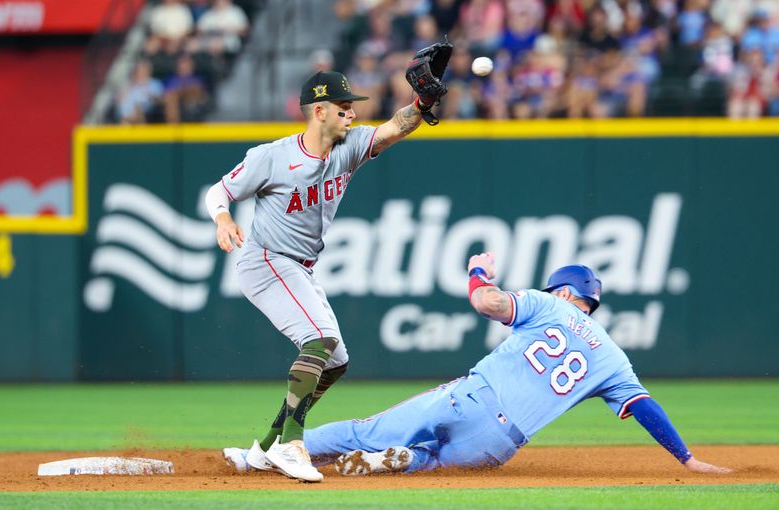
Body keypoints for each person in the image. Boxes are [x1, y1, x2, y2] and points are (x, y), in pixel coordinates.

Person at [223, 254, 732, 476]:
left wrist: (477, 270)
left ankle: (261, 457)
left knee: (362, 431)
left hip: (471, 397)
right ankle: (399, 461)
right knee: (433, 464)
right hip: (498, 446)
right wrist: (685, 458)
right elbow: (644, 406)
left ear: (563, 290)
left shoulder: (547, 303)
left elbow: (488, 302)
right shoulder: (613, 359)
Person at [208, 68, 447, 482]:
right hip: (266, 260)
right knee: (319, 338)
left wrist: (422, 105)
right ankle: (291, 444)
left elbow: (394, 128)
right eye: (343, 107)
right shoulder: (273, 156)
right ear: (319, 111)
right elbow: (220, 191)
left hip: (300, 267)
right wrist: (223, 219)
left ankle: (264, 449)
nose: (351, 114)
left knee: (335, 362)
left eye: (352, 107)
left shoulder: (349, 146)